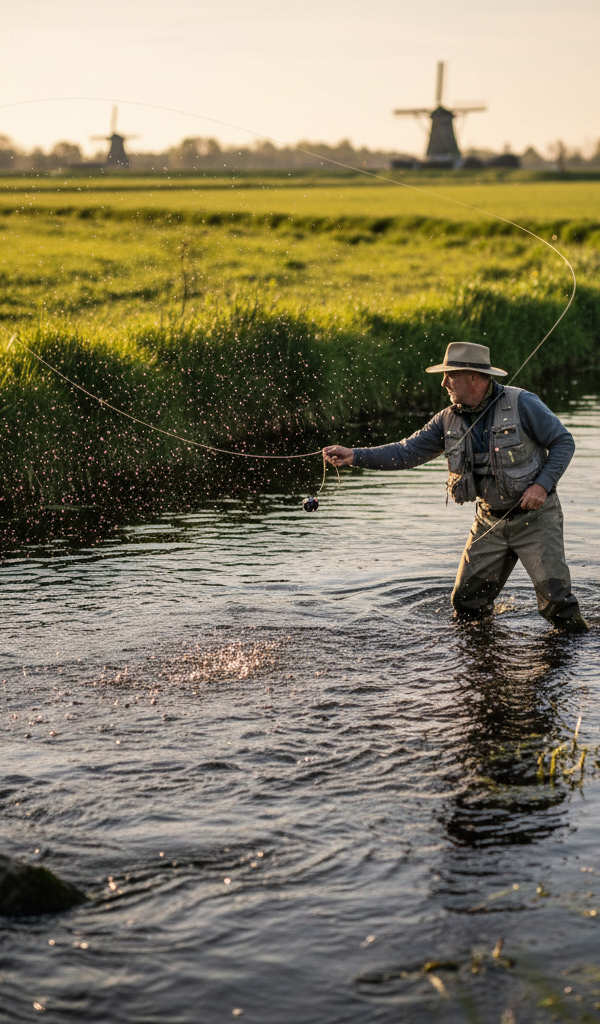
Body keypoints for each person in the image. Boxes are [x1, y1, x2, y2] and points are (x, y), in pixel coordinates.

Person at [323, 341, 588, 632]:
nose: (443, 382)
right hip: (488, 521)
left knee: (558, 608)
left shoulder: (524, 403)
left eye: (450, 374)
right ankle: (482, 656)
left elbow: (564, 441)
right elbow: (406, 451)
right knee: (466, 604)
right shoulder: (445, 420)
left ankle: (571, 668)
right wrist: (354, 455)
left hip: (536, 520)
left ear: (473, 377)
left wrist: (541, 485)